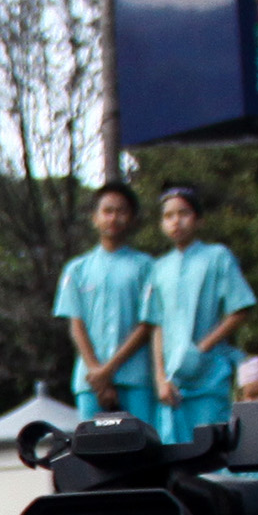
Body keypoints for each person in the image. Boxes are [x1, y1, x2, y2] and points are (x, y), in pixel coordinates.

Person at [145, 184, 255, 438]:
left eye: (183, 213)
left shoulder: (217, 256)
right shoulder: (159, 268)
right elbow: (156, 324)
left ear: (198, 219)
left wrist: (202, 348)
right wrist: (160, 377)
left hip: (210, 372)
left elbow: (241, 308)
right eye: (168, 216)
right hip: (173, 380)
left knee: (212, 445)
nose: (176, 222)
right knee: (175, 450)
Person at [54, 181, 158, 427]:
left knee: (142, 449)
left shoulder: (146, 267)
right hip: (90, 381)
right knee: (93, 453)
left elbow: (147, 325)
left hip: (136, 378)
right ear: (94, 218)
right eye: (107, 211)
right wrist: (97, 373)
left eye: (121, 211)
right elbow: (76, 324)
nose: (114, 217)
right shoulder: (77, 269)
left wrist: (109, 369)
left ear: (132, 218)